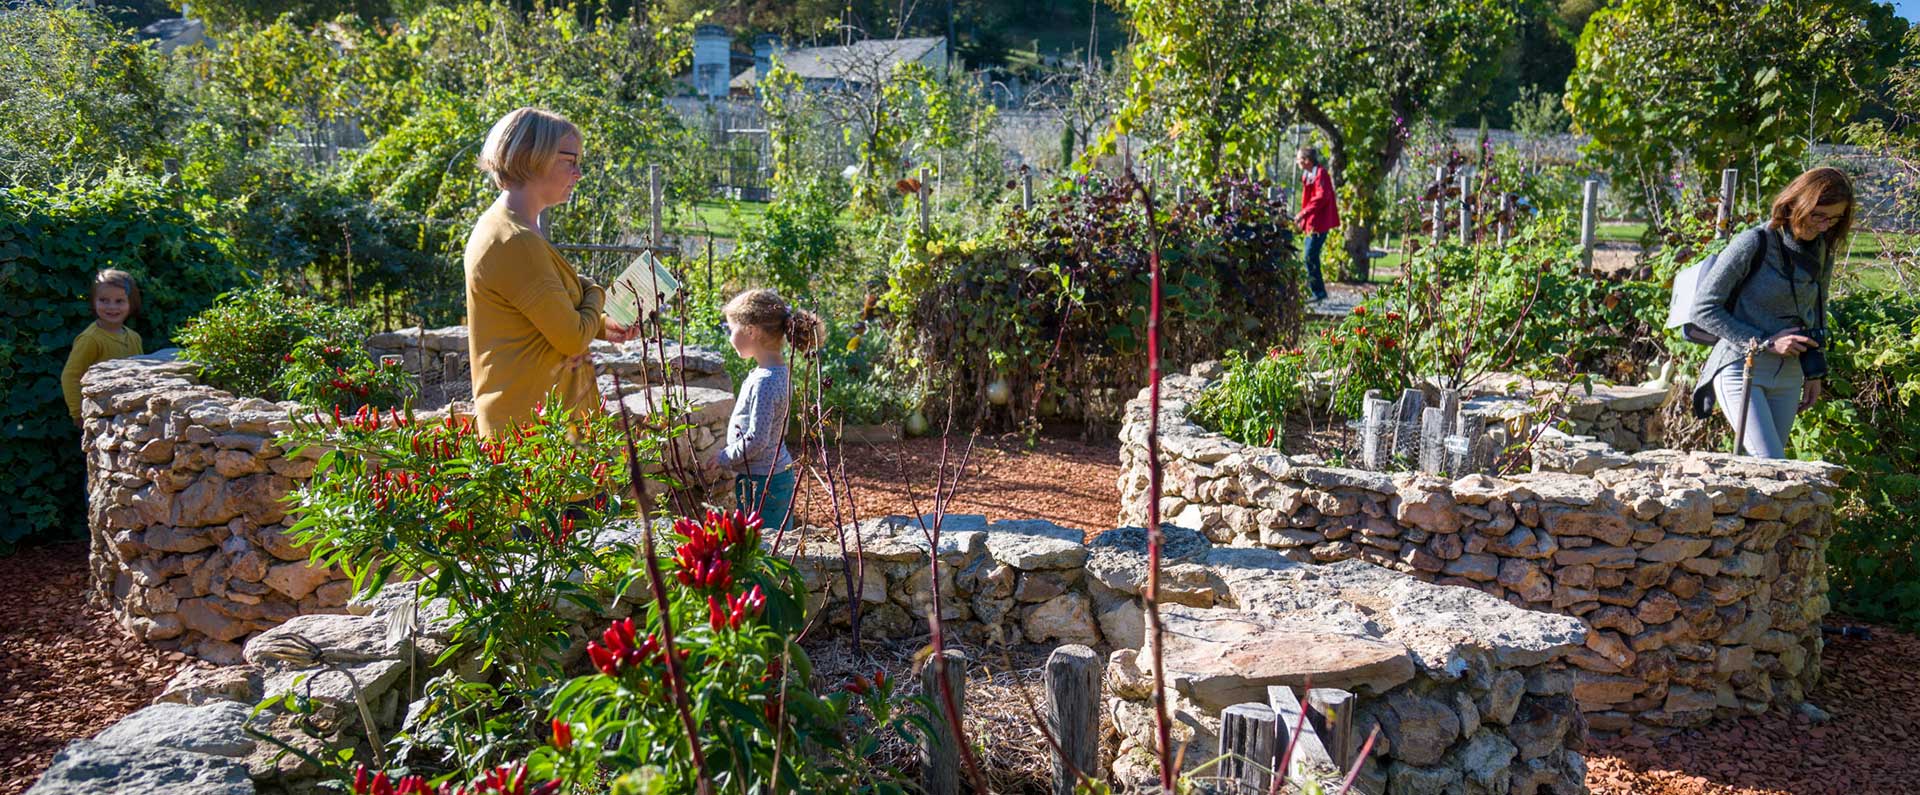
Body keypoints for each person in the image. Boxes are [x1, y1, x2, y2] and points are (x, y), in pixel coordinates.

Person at [464, 107, 636, 437]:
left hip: (544, 425)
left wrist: (600, 327)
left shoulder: (515, 229)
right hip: (535, 433)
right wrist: (596, 293)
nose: (579, 173)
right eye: (570, 160)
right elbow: (571, 338)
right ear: (533, 157)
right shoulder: (515, 240)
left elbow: (539, 323)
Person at [1690, 167, 1852, 458]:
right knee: (1773, 466)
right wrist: (1766, 341)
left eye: (1834, 218)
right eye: (1819, 215)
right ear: (1796, 204)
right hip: (1743, 368)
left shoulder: (1822, 250)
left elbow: (1818, 309)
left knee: (1766, 481)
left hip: (1790, 375)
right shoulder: (1755, 242)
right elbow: (1703, 309)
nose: (1826, 226)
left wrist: (1814, 371)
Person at [712, 289, 822, 534]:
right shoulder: (776, 373)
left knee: (765, 548)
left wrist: (723, 457)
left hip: (763, 483)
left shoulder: (766, 381)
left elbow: (757, 439)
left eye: (732, 330)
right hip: (766, 477)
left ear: (751, 331)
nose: (730, 337)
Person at [62, 270, 144, 427]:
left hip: (129, 415)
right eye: (104, 300)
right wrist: (78, 413)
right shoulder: (90, 339)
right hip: (100, 416)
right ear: (93, 301)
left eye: (119, 301)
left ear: (131, 303)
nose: (111, 307)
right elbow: (70, 376)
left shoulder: (134, 337)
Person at [1295, 145, 1340, 303]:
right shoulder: (1308, 174)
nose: (1297, 161)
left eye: (1299, 158)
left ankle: (1318, 292)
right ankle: (1316, 291)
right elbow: (1308, 200)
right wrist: (1303, 220)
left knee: (1309, 256)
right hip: (1312, 223)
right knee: (1309, 256)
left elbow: (1321, 197)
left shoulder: (1321, 174)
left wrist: (1303, 214)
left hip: (1319, 223)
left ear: (1307, 160)